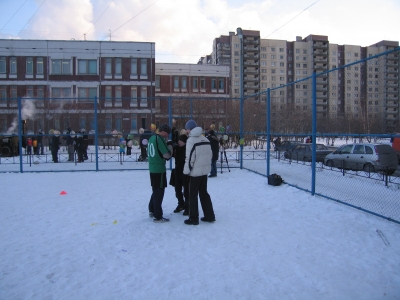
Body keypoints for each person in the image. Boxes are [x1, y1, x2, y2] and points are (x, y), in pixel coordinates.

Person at [183, 120, 216, 225]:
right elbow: (210, 155)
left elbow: (189, 158)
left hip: (194, 173)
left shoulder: (191, 140)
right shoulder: (205, 139)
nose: (186, 131)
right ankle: (209, 215)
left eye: (187, 129)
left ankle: (193, 218)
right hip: (204, 172)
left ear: (189, 129)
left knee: (192, 195)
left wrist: (186, 172)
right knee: (204, 193)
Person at [147, 124, 173, 223]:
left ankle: (152, 209)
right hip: (159, 169)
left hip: (152, 168)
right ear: (163, 131)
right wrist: (170, 146)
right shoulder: (159, 139)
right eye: (167, 133)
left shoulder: (152, 138)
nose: (168, 135)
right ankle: (158, 216)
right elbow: (167, 155)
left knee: (155, 189)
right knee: (159, 192)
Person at [172, 130, 190, 214]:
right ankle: (181, 204)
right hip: (177, 172)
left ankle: (187, 207)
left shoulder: (187, 149)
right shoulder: (177, 148)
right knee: (177, 189)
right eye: (179, 140)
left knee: (186, 191)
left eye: (181, 140)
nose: (179, 142)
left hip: (185, 172)